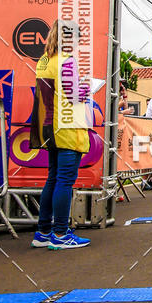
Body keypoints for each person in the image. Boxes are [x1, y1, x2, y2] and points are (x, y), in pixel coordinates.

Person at [29, 19, 91, 249]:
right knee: (65, 181)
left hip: (48, 126)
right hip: (67, 127)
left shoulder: (44, 60)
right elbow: (75, 96)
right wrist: (86, 88)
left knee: (52, 178)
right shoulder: (68, 61)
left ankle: (43, 232)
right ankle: (61, 234)